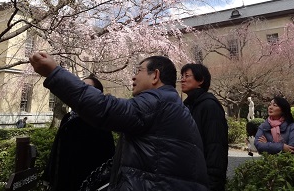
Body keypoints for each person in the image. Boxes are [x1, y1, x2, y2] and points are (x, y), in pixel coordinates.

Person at [29, 51, 209, 191]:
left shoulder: (157, 102)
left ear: (155, 76)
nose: (133, 77)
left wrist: (54, 73)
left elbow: (105, 109)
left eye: (138, 71)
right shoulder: (169, 104)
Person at [42, 75, 115, 191]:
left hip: (84, 183)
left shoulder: (98, 120)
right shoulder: (68, 118)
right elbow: (57, 150)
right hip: (62, 181)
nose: (82, 90)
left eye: (87, 88)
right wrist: (49, 176)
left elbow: (106, 157)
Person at [180, 63, 228, 191]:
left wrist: (213, 182)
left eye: (187, 76)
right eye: (182, 76)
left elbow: (215, 145)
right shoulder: (189, 105)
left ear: (200, 80)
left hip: (205, 181)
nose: (182, 79)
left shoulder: (209, 106)